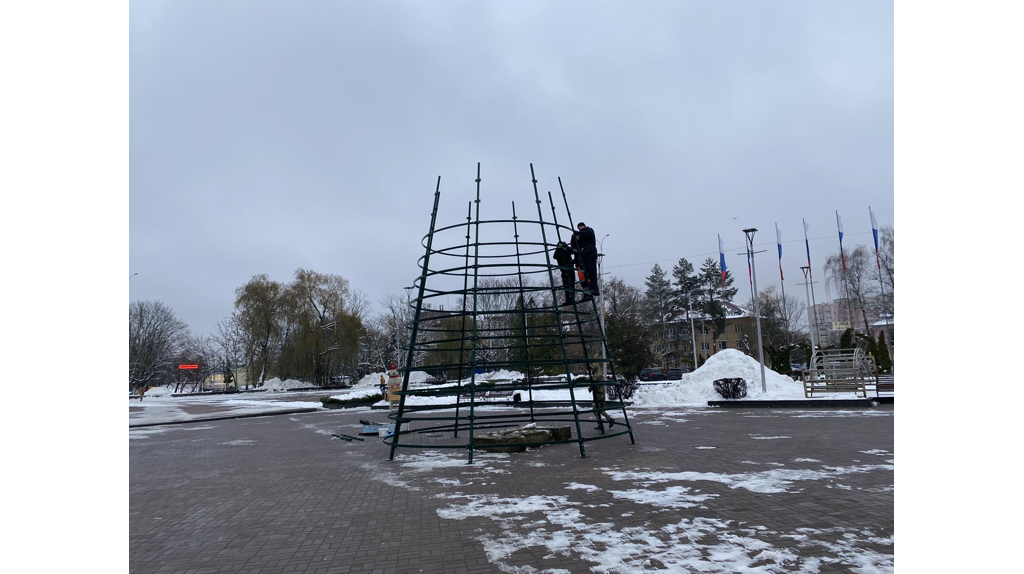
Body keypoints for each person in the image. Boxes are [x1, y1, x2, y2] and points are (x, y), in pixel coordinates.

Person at [574, 222, 599, 302]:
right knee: (585, 274)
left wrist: (579, 233)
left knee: (592, 271)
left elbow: (589, 234)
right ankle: (587, 292)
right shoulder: (580, 236)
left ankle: (594, 288)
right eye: (579, 227)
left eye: (581, 226)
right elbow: (576, 246)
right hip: (583, 255)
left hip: (590, 253)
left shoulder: (589, 230)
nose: (580, 228)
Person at [553, 241, 578, 305]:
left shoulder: (566, 250)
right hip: (564, 269)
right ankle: (568, 299)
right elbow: (555, 256)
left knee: (571, 283)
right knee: (566, 285)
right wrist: (558, 248)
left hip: (569, 268)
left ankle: (572, 298)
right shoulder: (558, 252)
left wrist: (566, 246)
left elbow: (572, 251)